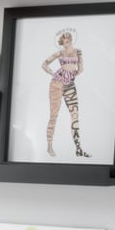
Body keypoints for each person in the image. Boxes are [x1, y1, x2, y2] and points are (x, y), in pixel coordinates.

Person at [42, 27, 91, 158]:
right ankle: (49, 146)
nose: (66, 43)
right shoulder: (59, 53)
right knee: (54, 115)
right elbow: (44, 64)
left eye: (68, 40)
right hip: (56, 85)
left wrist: (74, 73)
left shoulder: (78, 52)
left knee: (75, 116)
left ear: (71, 40)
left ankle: (78, 148)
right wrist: (53, 73)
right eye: (64, 41)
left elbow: (80, 69)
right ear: (62, 43)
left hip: (70, 84)